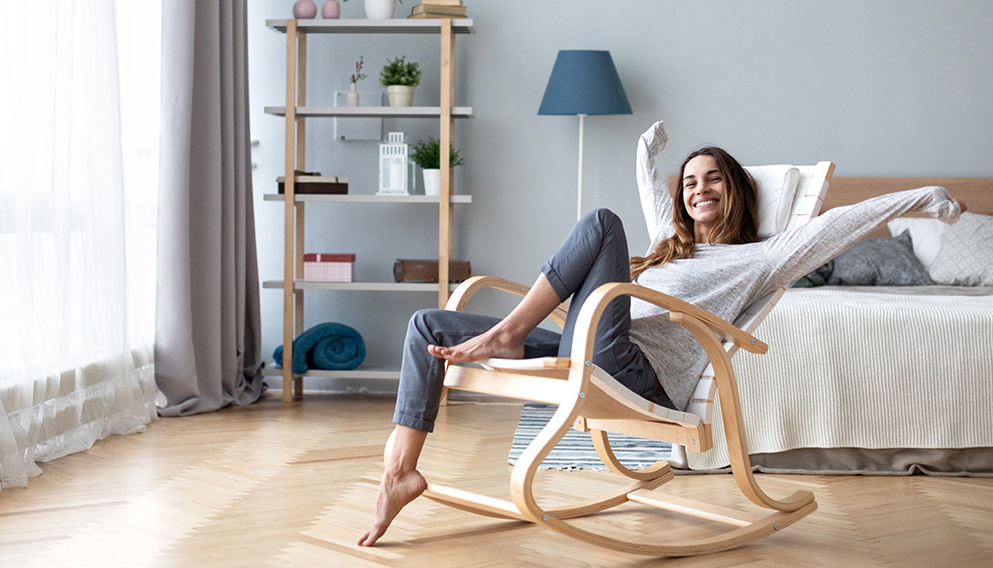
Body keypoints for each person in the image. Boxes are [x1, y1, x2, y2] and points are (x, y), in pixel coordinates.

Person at [357, 121, 965, 547]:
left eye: (714, 180)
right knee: (426, 323)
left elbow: (833, 224)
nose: (699, 189)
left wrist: (922, 200)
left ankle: (510, 333)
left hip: (634, 370)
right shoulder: (665, 252)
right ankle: (399, 474)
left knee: (599, 222)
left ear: (738, 192)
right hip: (589, 346)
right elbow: (655, 199)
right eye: (690, 182)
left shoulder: (762, 257)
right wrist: (646, 155)